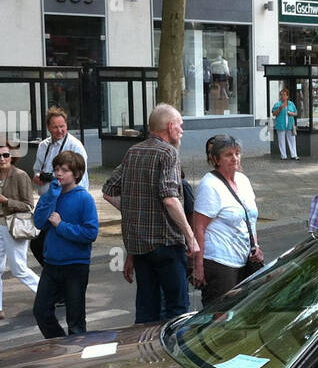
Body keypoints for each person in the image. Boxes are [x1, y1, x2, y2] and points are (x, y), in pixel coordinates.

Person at [103, 103, 198, 324]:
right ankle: (173, 353)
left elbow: (108, 190)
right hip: (166, 244)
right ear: (171, 126)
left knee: (147, 310)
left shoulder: (132, 152)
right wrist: (190, 236)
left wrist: (134, 212)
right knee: (177, 310)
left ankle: (145, 354)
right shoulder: (169, 153)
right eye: (180, 126)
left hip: (140, 247)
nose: (182, 131)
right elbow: (170, 198)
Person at [31, 150, 98, 337]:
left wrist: (61, 226)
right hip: (52, 264)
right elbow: (38, 222)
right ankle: (59, 344)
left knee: (75, 319)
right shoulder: (52, 194)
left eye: (65, 170)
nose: (59, 173)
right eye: (57, 169)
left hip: (75, 266)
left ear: (76, 174)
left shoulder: (84, 199)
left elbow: (90, 233)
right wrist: (51, 196)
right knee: (41, 311)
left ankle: (77, 355)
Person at [191, 135, 262, 307]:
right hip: (220, 262)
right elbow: (198, 227)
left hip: (245, 259)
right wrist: (198, 266)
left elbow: (249, 218)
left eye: (237, 153)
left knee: (244, 311)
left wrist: (256, 246)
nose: (235, 158)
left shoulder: (243, 180)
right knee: (220, 315)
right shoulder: (209, 185)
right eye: (228, 155)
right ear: (216, 160)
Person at [0, 142, 41, 322]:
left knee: (18, 268)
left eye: (5, 155)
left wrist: (6, 202)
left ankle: (47, 294)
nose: (2, 159)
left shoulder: (20, 176)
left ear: (12, 156)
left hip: (14, 227)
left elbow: (29, 206)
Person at [32, 106, 89, 189]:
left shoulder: (75, 146)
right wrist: (37, 177)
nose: (59, 130)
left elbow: (81, 176)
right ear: (48, 127)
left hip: (66, 197)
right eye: (55, 127)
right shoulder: (43, 145)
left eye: (62, 126)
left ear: (66, 125)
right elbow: (37, 169)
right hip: (46, 198)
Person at [272, 87, 298, 160]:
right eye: (281, 95)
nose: (282, 96)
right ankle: (283, 156)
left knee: (292, 140)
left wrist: (291, 113)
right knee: (281, 140)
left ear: (287, 96)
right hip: (281, 125)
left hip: (290, 125)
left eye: (284, 95)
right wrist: (280, 108)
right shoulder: (277, 104)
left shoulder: (291, 104)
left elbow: (296, 113)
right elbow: (274, 114)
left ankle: (294, 155)